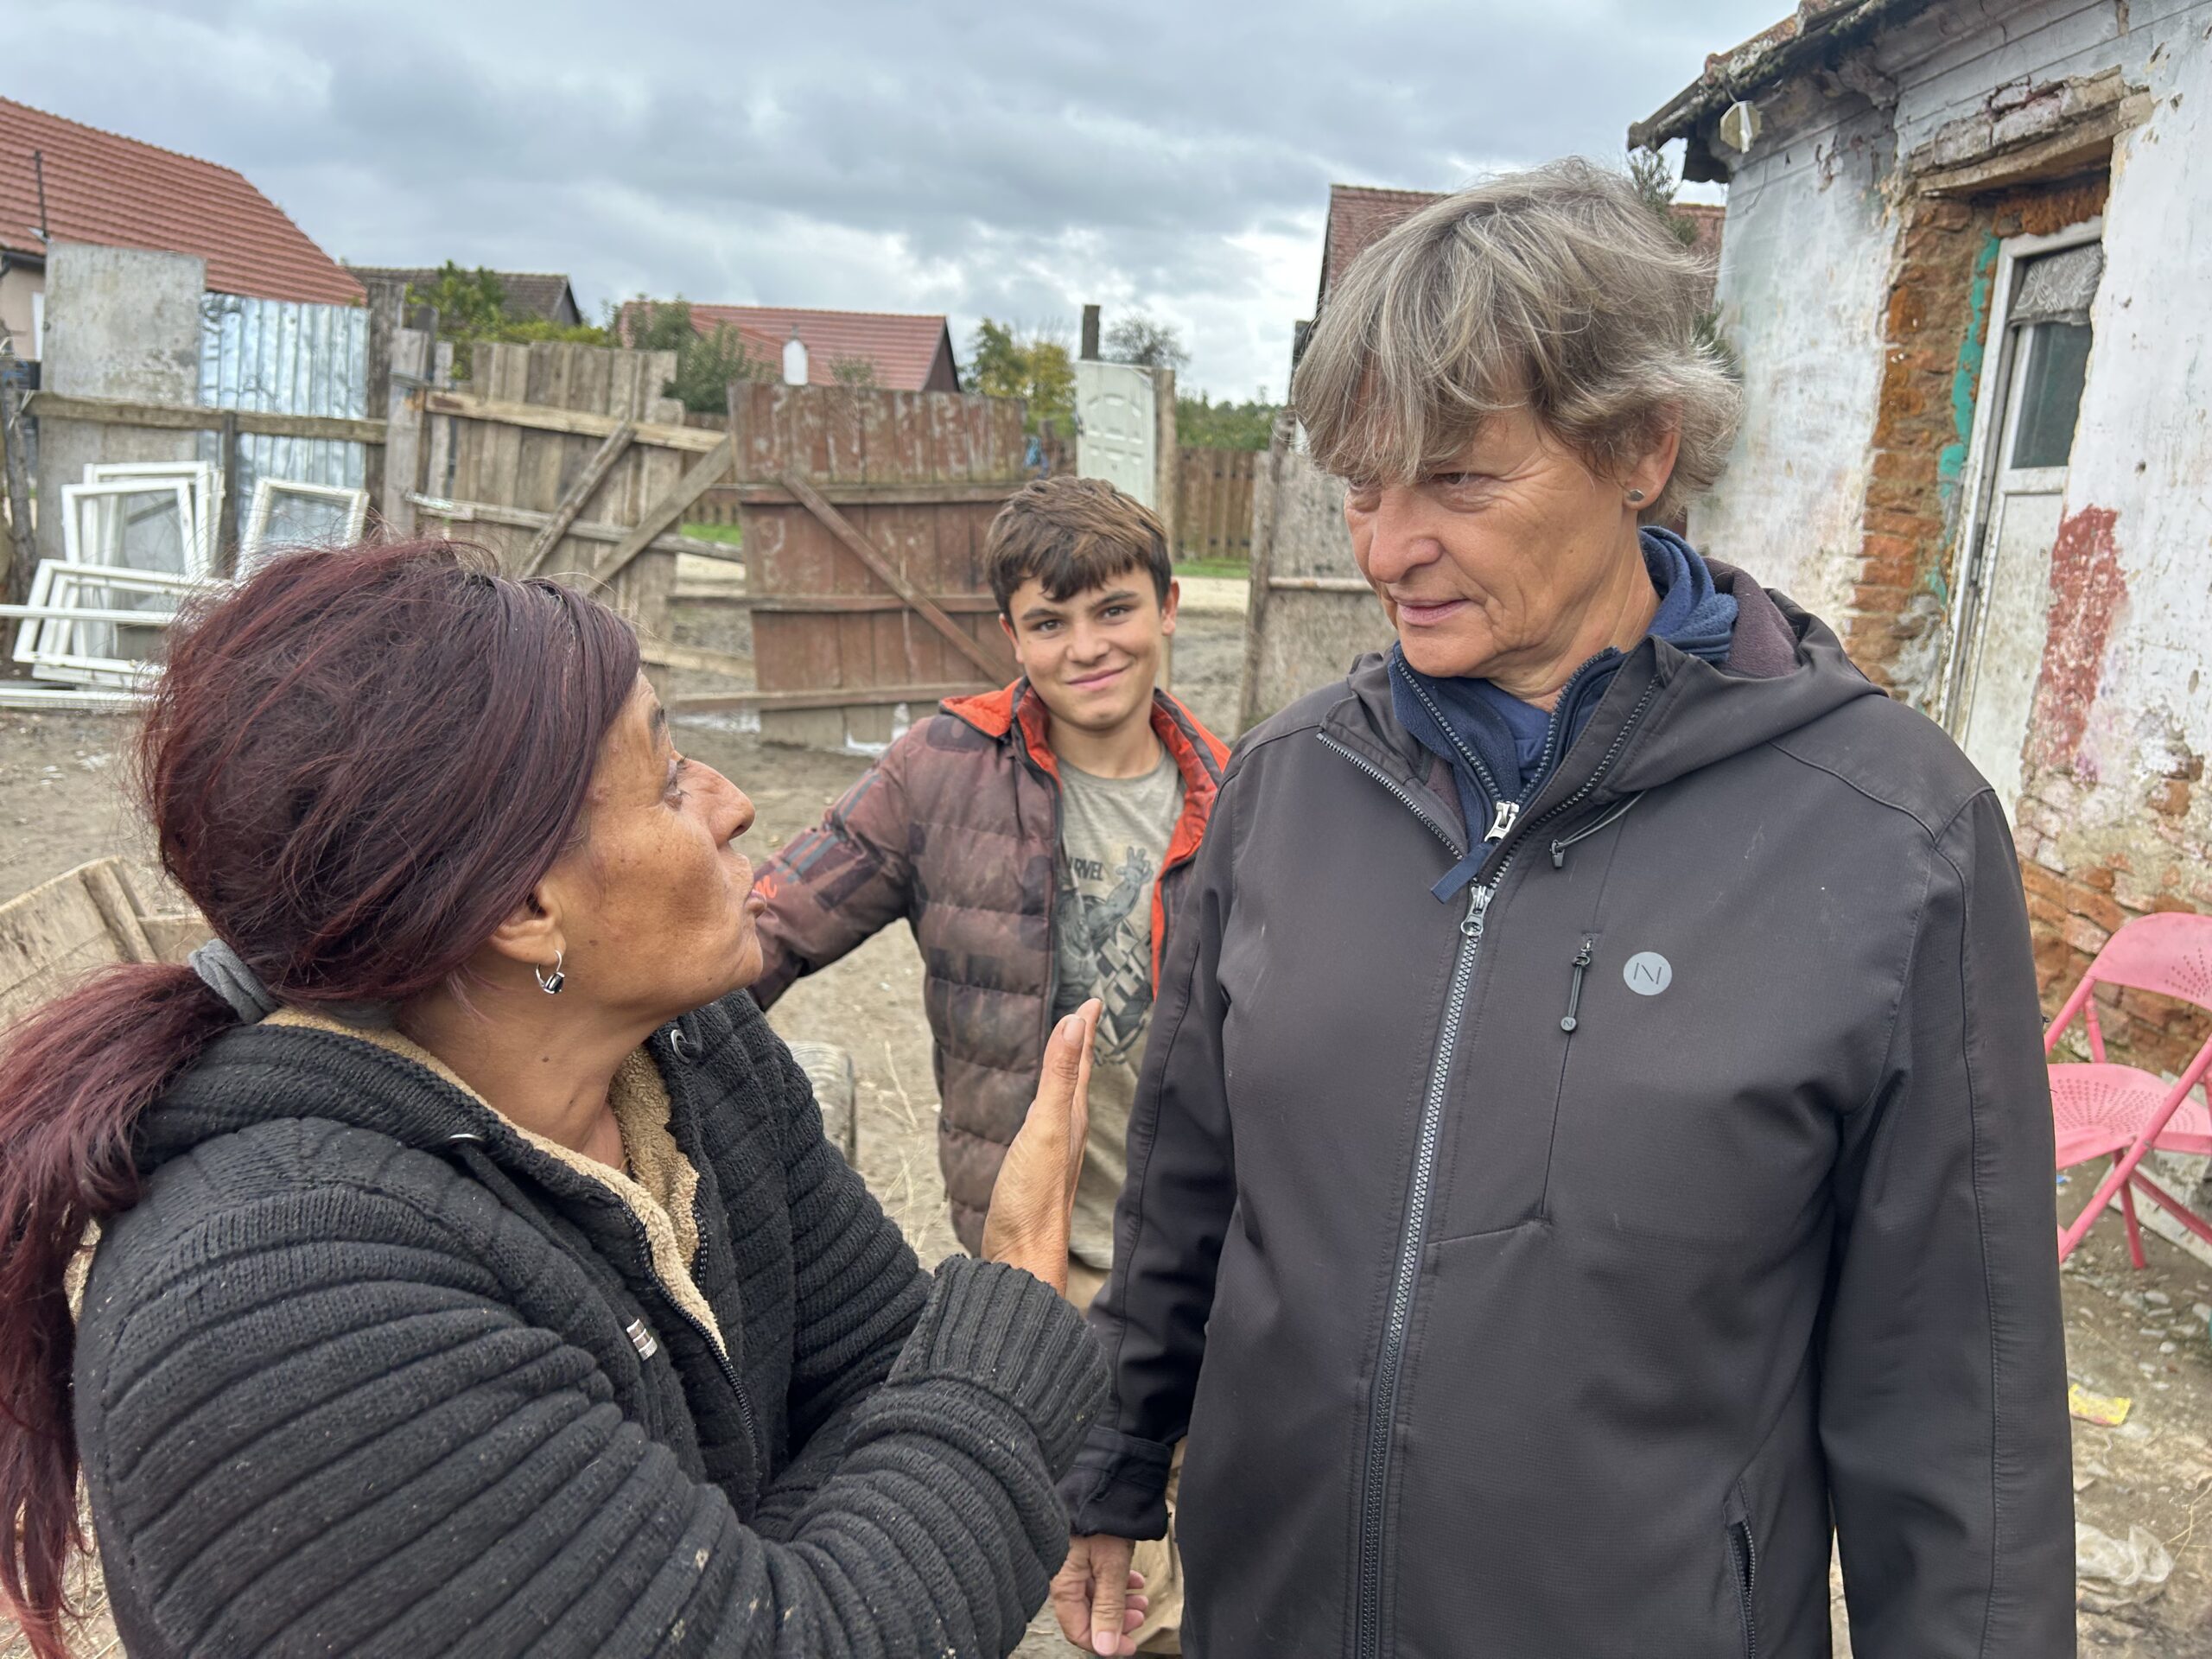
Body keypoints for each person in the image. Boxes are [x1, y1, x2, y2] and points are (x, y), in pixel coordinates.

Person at [1057, 160, 2075, 1658]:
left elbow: (1959, 1397)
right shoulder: (1291, 783)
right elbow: (1189, 1183)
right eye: (1363, 485)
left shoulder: (1891, 836)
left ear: (1641, 448)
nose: (1386, 548)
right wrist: (1116, 1460)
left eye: (1459, 481)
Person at [0, 542, 1143, 1659]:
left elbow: (881, 1372)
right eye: (668, 777)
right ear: (522, 909)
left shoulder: (682, 1048)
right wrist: (1011, 1302)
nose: (735, 803)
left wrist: (776, 1576)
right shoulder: (279, 1315)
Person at [752, 474, 1226, 1653]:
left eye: (1115, 610)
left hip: (1198, 1264)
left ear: (1169, 607)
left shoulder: (1241, 794)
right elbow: (773, 926)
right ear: (1012, 636)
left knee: (1187, 1563)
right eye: (1050, 622)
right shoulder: (940, 772)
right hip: (1039, 1255)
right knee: (1079, 1573)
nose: (1088, 647)